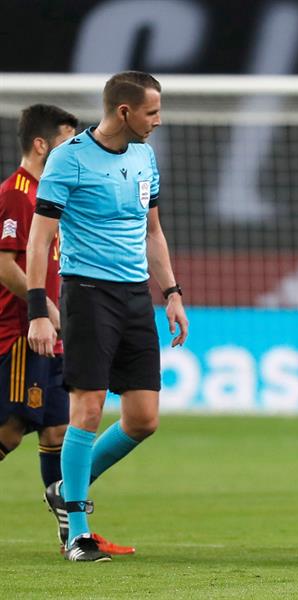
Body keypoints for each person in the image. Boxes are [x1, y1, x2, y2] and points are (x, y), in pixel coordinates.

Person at [27, 71, 189, 562]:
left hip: (136, 296)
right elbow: (39, 239)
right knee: (89, 409)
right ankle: (79, 532)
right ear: (124, 112)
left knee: (143, 419)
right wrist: (38, 309)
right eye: (151, 112)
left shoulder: (144, 157)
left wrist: (173, 292)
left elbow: (153, 231)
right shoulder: (69, 158)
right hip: (88, 293)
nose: (158, 121)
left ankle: (65, 487)